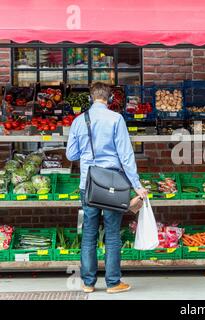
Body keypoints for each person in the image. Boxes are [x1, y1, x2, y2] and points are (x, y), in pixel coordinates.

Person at [66, 82, 148, 294]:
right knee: (112, 234)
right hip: (113, 184)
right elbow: (126, 155)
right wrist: (137, 186)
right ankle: (113, 283)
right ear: (110, 99)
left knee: (89, 233)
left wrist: (87, 154)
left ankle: (88, 283)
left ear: (91, 98)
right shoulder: (116, 119)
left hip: (88, 184)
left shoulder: (78, 121)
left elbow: (70, 155)